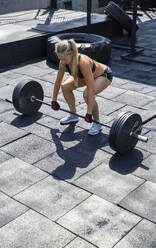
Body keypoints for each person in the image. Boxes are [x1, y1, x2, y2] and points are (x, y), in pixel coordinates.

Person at [51, 39, 113, 135]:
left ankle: (97, 123)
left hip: (103, 75)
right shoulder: (63, 62)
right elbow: (58, 81)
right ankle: (73, 115)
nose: (62, 61)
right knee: (65, 87)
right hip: (84, 76)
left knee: (87, 94)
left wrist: (89, 113)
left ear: (71, 54)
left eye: (64, 58)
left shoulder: (83, 63)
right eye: (60, 58)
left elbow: (91, 89)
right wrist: (54, 100)